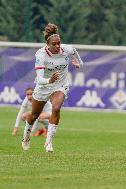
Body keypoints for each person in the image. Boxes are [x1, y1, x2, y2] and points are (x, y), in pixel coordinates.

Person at [21, 23, 83, 152]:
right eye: (54, 44)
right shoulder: (41, 55)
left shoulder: (66, 49)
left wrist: (78, 63)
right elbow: (39, 79)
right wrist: (49, 80)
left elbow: (75, 52)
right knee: (34, 115)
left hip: (60, 85)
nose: (57, 46)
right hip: (44, 86)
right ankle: (26, 138)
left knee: (56, 108)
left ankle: (48, 143)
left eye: (58, 43)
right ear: (47, 45)